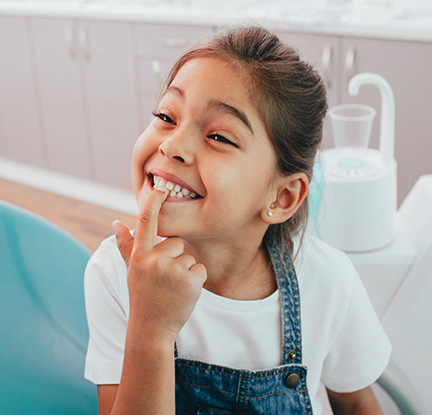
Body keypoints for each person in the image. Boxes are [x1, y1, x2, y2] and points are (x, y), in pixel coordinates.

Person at [84, 26, 391, 414]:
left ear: (281, 197)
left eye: (219, 137)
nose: (171, 144)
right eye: (166, 115)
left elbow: (358, 403)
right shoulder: (115, 273)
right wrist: (151, 330)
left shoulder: (329, 280)